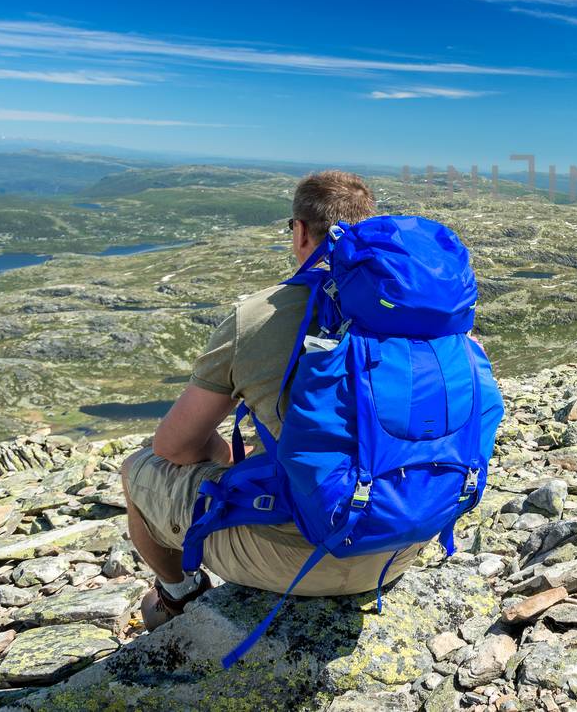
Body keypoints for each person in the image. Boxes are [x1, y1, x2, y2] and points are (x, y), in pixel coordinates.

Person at [121, 169, 440, 629]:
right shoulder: (420, 315)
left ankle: (177, 598)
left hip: (298, 558)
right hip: (402, 540)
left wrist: (225, 455)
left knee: (136, 468)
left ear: (300, 230)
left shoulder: (258, 316)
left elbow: (174, 449)